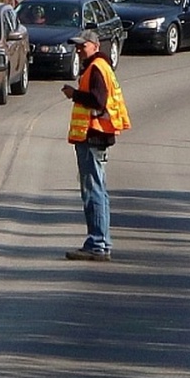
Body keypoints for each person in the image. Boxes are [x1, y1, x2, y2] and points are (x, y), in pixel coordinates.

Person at [59, 29, 131, 261]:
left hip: (93, 136)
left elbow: (98, 100)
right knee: (96, 189)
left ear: (95, 45)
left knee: (94, 191)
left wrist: (74, 94)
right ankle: (98, 241)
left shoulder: (97, 68)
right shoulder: (99, 66)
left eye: (83, 46)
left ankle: (98, 243)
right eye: (78, 47)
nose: (79, 50)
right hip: (95, 136)